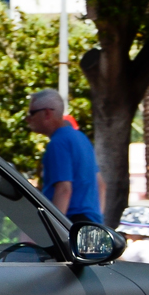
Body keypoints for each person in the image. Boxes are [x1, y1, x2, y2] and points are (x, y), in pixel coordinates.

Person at [27, 89, 105, 225]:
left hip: (71, 220)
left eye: (32, 113)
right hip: (89, 223)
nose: (28, 119)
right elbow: (101, 185)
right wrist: (97, 222)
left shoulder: (58, 143)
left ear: (47, 113)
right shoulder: (81, 138)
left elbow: (64, 189)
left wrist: (54, 228)